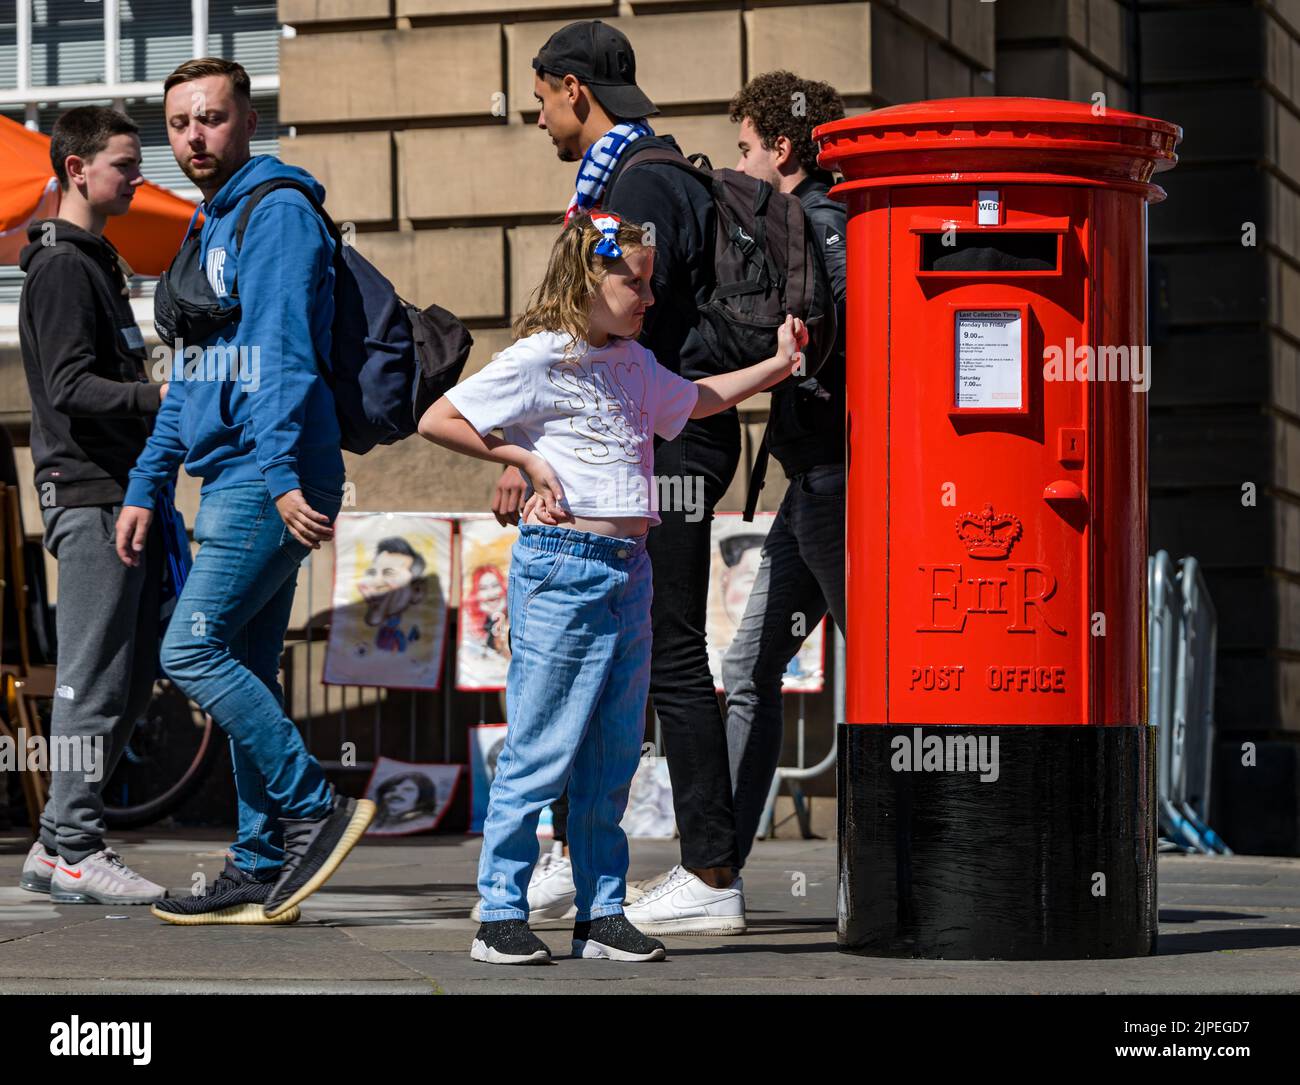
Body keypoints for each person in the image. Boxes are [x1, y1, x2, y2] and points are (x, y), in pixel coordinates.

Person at [419, 213, 807, 964]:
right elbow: (439, 417)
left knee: (613, 755)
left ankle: (600, 912)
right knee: (539, 747)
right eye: (634, 278)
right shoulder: (541, 357)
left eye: (652, 278)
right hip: (563, 565)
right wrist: (524, 461)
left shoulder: (633, 362)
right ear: (588, 279)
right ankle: (499, 911)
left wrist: (780, 364)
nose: (649, 294)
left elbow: (698, 400)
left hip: (630, 571)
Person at [498, 18, 752, 936]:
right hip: (666, 431)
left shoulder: (635, 185)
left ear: (574, 88)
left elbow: (598, 321)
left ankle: (711, 868)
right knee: (622, 658)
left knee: (671, 652)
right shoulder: (653, 171)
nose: (537, 119)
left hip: (667, 437)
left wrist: (526, 433)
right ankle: (578, 856)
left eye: (539, 98)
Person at [114, 57, 374, 926]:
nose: (194, 136)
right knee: (246, 664)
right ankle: (261, 861)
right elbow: (194, 374)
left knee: (189, 649)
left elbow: (283, 357)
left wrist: (280, 475)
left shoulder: (279, 216)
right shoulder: (209, 224)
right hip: (230, 472)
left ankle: (313, 804)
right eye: (180, 123)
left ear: (249, 122)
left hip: (269, 475)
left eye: (211, 118)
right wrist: (148, 484)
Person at [15, 106, 169, 905]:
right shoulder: (63, 269)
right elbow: (72, 388)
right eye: (123, 164)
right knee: (91, 679)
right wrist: (161, 393)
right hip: (92, 496)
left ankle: (56, 845)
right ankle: (73, 845)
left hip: (119, 496)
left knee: (132, 670)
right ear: (77, 170)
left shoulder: (91, 261)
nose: (138, 177)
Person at [721, 72, 849, 883]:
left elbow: (833, 351)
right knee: (747, 669)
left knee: (871, 666)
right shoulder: (813, 220)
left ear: (782, 147)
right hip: (810, 481)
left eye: (746, 149)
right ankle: (715, 869)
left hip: (833, 482)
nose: (740, 166)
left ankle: (893, 855)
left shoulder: (818, 221)